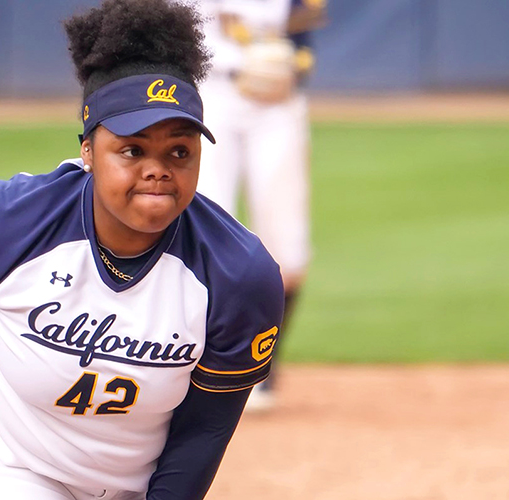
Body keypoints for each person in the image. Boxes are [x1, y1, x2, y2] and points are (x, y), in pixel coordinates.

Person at [0, 1, 284, 499]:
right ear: (88, 150)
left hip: (128, 482)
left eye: (179, 151)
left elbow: (204, 429)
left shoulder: (239, 275)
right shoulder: (5, 221)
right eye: (132, 149)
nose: (158, 168)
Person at [195, 0, 326, 411]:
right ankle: (201, 364)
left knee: (287, 247)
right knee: (204, 232)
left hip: (276, 101)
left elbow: (303, 26)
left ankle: (261, 368)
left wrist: (298, 63)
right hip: (207, 91)